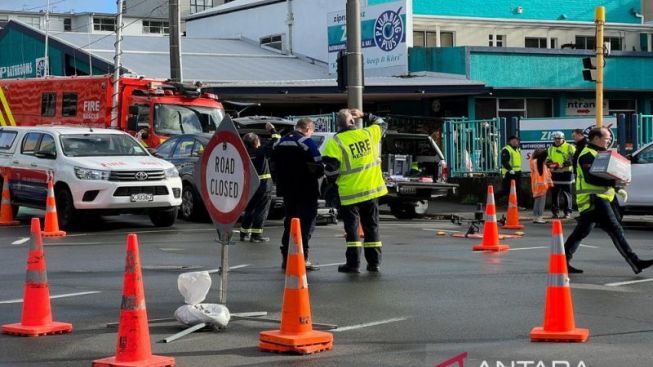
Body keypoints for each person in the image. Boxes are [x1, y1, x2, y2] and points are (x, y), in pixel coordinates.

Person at [564, 127, 653, 274]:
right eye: (606, 138)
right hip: (594, 199)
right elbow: (591, 178)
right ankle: (635, 262)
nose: (609, 140)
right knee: (615, 229)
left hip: (602, 198)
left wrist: (618, 186)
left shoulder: (600, 154)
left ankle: (562, 261)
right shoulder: (587, 155)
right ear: (596, 139)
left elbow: (605, 176)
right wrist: (615, 183)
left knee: (581, 232)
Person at [323, 108, 387, 273]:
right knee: (372, 227)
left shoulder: (335, 142)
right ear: (353, 121)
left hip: (349, 193)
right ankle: (374, 263)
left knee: (352, 231)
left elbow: (331, 170)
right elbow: (382, 122)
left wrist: (332, 183)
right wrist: (364, 115)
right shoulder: (368, 134)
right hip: (371, 190)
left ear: (338, 124)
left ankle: (353, 264)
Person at [271, 118, 323, 271]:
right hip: (306, 189)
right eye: (312, 132)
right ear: (307, 129)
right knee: (306, 224)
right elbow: (318, 165)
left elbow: (272, 164)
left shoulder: (278, 143)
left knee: (290, 223)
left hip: (287, 190)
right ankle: (302, 258)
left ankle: (286, 258)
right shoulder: (306, 142)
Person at [239, 124, 277, 243]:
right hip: (263, 186)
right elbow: (276, 139)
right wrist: (272, 129)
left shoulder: (243, 154)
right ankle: (256, 235)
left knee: (250, 209)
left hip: (249, 186)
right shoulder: (260, 151)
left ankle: (243, 234)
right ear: (256, 142)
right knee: (261, 209)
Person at [546, 131, 576, 219]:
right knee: (554, 194)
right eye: (555, 139)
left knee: (567, 194)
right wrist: (551, 164)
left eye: (559, 138)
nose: (557, 140)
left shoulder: (570, 147)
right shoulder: (550, 148)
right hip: (554, 174)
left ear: (563, 139)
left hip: (566, 174)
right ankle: (555, 212)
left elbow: (574, 159)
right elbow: (548, 159)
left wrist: (564, 165)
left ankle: (567, 212)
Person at [497, 135, 524, 208]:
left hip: (517, 172)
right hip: (509, 173)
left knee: (518, 189)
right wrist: (510, 169)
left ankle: (517, 204)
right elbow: (504, 161)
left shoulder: (517, 149)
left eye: (517, 141)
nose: (516, 142)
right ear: (510, 141)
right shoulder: (506, 149)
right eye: (514, 141)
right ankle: (493, 199)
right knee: (506, 190)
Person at [529, 149, 553, 224]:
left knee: (537, 201)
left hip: (537, 184)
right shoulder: (538, 162)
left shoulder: (533, 161)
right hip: (542, 184)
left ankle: (535, 217)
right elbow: (545, 173)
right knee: (541, 202)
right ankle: (539, 217)